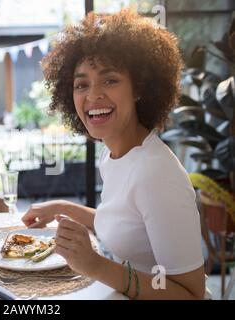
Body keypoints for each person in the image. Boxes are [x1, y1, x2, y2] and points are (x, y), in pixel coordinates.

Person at [22, 10, 205, 299]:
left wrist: (96, 266)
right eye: (82, 84)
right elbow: (123, 224)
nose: (93, 95)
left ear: (139, 88)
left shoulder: (156, 175)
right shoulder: (115, 154)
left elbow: (190, 295)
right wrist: (61, 207)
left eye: (110, 80)